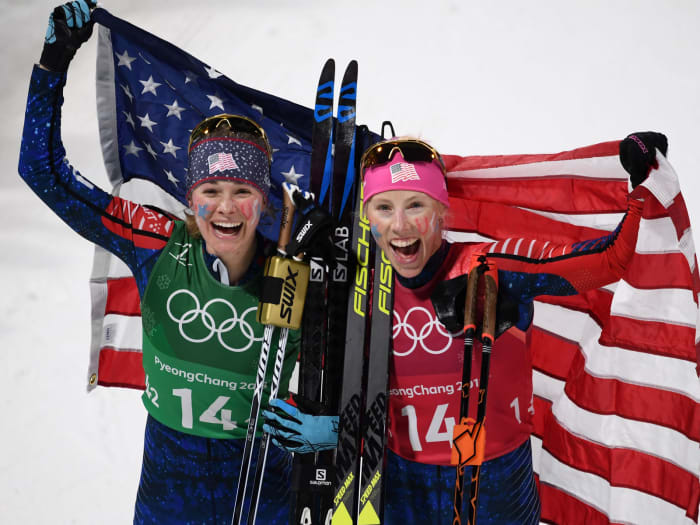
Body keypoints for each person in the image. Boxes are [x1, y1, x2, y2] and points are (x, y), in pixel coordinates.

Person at [264, 132, 667, 524]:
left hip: (495, 483)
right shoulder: (359, 289)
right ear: (367, 217)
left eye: (416, 205)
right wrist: (332, 429)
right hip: (399, 483)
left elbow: (611, 260)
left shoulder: (491, 267)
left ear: (442, 210)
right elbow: (343, 386)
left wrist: (641, 186)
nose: (400, 225)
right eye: (384, 208)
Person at [19, 2, 299, 523]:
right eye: (210, 191)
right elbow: (42, 170)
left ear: (263, 202)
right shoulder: (156, 243)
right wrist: (52, 66)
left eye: (243, 191)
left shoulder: (297, 270)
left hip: (266, 504)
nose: (226, 208)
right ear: (191, 198)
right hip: (168, 507)